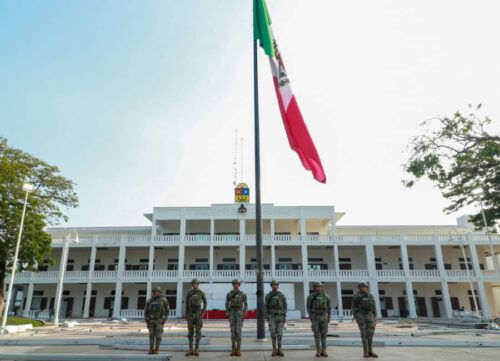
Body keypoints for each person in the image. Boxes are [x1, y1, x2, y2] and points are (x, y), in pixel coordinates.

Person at [352, 282, 378, 358]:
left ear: (367, 287)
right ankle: (365, 351)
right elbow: (353, 307)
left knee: (370, 333)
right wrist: (356, 316)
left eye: (365, 287)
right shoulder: (356, 296)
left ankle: (371, 351)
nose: (364, 288)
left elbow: (374, 307)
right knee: (363, 334)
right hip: (361, 315)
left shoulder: (370, 296)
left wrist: (375, 317)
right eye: (362, 287)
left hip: (370, 315)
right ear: (359, 288)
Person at [306, 282, 331, 357]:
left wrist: (329, 316)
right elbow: (308, 307)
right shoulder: (311, 297)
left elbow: (329, 307)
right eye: (317, 287)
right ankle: (318, 350)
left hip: (324, 317)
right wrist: (311, 317)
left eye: (320, 287)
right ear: (314, 288)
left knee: (324, 334)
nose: (318, 288)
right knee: (316, 334)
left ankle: (324, 350)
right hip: (315, 317)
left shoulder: (326, 296)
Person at [144, 286, 170, 355]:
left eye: (157, 291)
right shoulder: (149, 301)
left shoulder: (163, 300)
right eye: (154, 291)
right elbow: (146, 311)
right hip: (151, 321)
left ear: (159, 292)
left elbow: (167, 310)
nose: (155, 292)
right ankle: (151, 349)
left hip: (159, 321)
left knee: (158, 336)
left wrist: (164, 319)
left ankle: (157, 349)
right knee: (151, 336)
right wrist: (147, 320)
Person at [225, 279, 248, 356]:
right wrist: (227, 312)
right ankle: (233, 349)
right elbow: (226, 303)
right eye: (234, 284)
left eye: (237, 284)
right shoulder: (229, 294)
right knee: (232, 331)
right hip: (232, 313)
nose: (235, 285)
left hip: (239, 313)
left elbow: (246, 304)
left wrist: (245, 312)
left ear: (239, 285)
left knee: (238, 331)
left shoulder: (243, 294)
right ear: (233, 285)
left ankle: (238, 349)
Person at [185, 278, 207, 356]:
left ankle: (196, 349)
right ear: (192, 285)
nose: (194, 285)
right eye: (193, 283)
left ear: (198, 285)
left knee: (198, 332)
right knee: (190, 332)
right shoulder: (189, 293)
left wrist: (203, 311)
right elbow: (187, 304)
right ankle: (190, 349)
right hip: (190, 314)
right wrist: (186, 313)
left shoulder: (201, 293)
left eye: (196, 284)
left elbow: (205, 302)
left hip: (198, 314)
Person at [265, 280, 287, 357]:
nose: (274, 286)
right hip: (272, 316)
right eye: (273, 285)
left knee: (280, 334)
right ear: (271, 286)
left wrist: (284, 315)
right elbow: (266, 306)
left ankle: (280, 350)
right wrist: (267, 315)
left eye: (276, 285)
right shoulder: (268, 295)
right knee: (273, 334)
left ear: (278, 286)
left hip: (280, 316)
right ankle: (274, 350)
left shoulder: (282, 295)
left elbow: (285, 306)